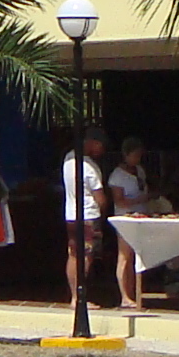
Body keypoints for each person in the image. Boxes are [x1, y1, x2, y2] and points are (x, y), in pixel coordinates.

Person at [61, 132, 110, 310]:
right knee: (86, 256)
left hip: (71, 215)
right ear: (91, 142)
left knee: (73, 254)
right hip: (88, 215)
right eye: (100, 145)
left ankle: (74, 296)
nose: (101, 150)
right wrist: (104, 212)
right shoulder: (89, 167)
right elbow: (100, 197)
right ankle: (80, 296)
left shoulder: (69, 160)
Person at [109, 136, 152, 309]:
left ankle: (135, 292)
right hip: (126, 217)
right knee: (124, 256)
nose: (137, 159)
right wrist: (140, 199)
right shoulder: (117, 176)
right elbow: (119, 201)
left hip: (140, 215)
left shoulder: (139, 170)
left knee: (136, 255)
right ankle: (124, 295)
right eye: (134, 155)